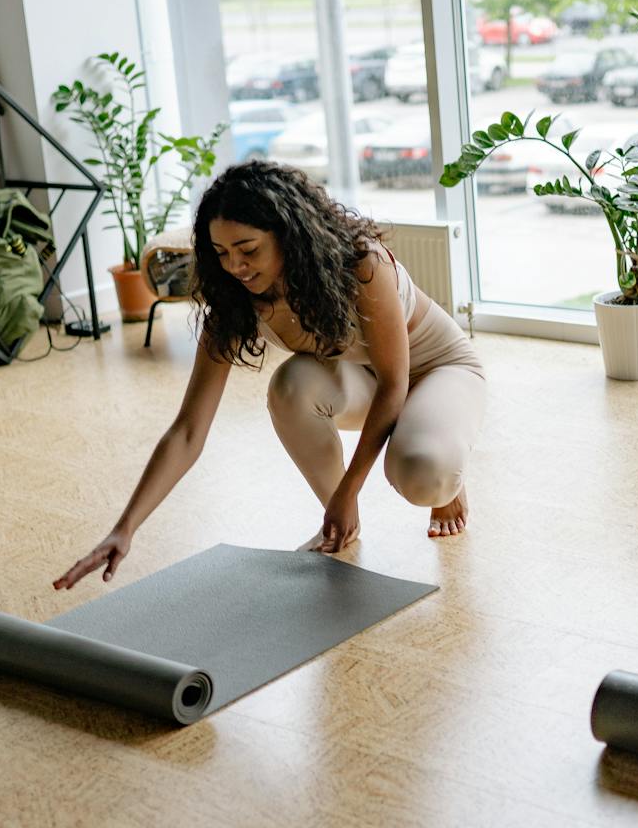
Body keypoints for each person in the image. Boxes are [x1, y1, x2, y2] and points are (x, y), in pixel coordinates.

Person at [56, 160, 487, 590]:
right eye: (222, 253)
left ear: (288, 233)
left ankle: (442, 471)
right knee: (290, 386)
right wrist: (125, 527)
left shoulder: (360, 264)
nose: (236, 267)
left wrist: (349, 491)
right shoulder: (235, 304)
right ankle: (341, 525)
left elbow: (396, 384)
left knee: (424, 474)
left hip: (435, 369)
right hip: (362, 378)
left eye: (248, 249)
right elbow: (188, 431)